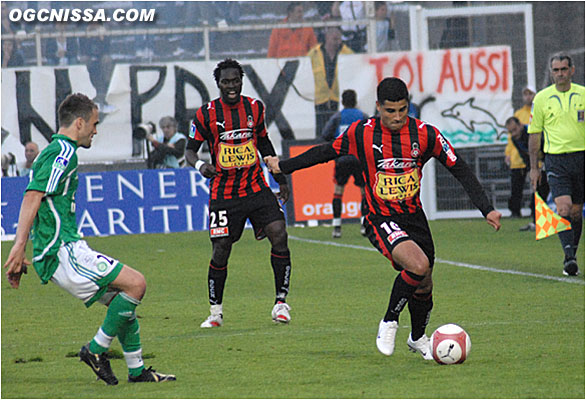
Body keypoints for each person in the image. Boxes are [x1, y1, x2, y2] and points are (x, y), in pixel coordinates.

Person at [264, 77, 501, 358]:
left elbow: (458, 168)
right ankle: (389, 322)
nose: (397, 117)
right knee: (418, 265)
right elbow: (325, 152)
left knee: (424, 284)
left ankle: (417, 338)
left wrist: (486, 208)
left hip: (414, 218)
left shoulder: (426, 134)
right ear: (378, 107)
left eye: (403, 110)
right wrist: (284, 166)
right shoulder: (360, 133)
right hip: (380, 217)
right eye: (390, 111)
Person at [3, 93, 176, 385]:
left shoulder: (61, 151)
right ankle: (95, 350)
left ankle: (137, 370)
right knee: (136, 284)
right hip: (62, 250)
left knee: (123, 306)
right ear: (79, 122)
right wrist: (19, 247)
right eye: (94, 124)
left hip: (65, 248)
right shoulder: (62, 152)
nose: (96, 130)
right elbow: (33, 195)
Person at [185, 59, 293, 328]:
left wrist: (281, 179)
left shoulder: (255, 108)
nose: (231, 86)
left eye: (235, 80)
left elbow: (264, 143)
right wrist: (200, 165)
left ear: (241, 81)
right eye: (226, 81)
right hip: (224, 193)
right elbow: (189, 150)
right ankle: (215, 312)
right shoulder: (205, 114)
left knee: (279, 232)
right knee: (221, 250)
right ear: (218, 84)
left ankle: (281, 303)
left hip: (256, 187)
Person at [528, 52, 585, 276]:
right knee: (562, 207)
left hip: (581, 158)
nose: (560, 74)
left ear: (572, 70)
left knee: (576, 212)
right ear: (551, 73)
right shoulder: (542, 99)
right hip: (556, 160)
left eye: (564, 69)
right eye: (556, 70)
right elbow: (534, 134)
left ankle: (572, 252)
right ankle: (569, 258)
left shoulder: (583, 94)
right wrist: (534, 167)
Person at [321, 89, 369, 238]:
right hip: (359, 159)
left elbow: (325, 135)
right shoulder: (363, 116)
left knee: (338, 191)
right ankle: (363, 225)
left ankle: (337, 226)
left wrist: (336, 145)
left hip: (342, 158)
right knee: (364, 191)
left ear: (342, 101)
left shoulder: (338, 117)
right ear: (355, 101)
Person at [308, 26, 353, 137]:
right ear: (327, 37)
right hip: (320, 98)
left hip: (338, 98)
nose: (336, 42)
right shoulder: (314, 53)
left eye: (338, 39)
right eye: (334, 39)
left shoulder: (347, 53)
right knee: (320, 132)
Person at [79, 23, 114, 112]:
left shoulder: (104, 33)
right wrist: (88, 37)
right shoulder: (84, 33)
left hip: (101, 57)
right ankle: (83, 84)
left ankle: (107, 83)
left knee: (107, 60)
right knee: (83, 60)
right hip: (89, 57)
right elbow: (83, 50)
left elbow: (107, 50)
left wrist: (102, 39)